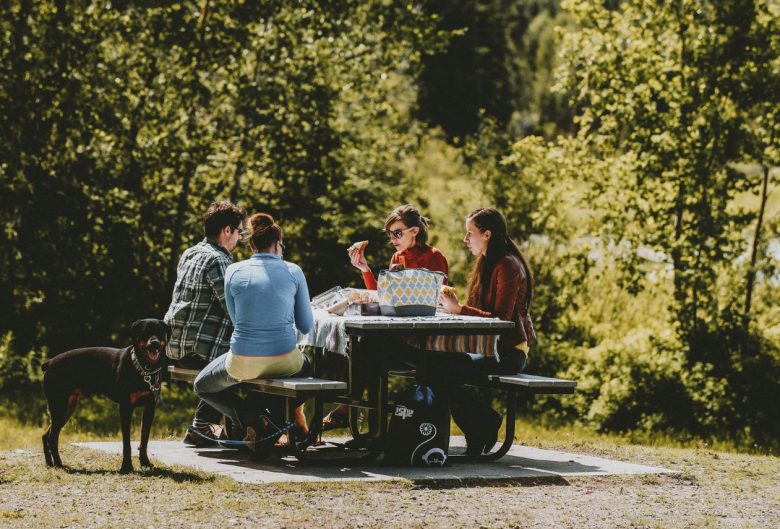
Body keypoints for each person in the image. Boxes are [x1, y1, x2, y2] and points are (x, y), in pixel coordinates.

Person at [322, 204, 449, 433]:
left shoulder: (433, 257)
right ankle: (370, 429)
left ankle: (355, 417)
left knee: (369, 351)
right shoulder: (397, 257)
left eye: (398, 233)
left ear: (415, 231)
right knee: (364, 349)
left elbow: (439, 301)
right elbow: (385, 298)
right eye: (390, 234)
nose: (393, 239)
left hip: (423, 342)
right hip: (400, 337)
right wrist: (364, 269)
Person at [193, 213, 314, 451]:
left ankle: (252, 418)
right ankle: (271, 422)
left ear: (251, 245)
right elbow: (306, 326)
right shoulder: (294, 271)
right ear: (278, 245)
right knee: (307, 368)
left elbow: (237, 318)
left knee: (201, 386)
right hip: (285, 360)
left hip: (243, 361)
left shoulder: (234, 271)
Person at [438, 207, 536, 456]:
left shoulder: (508, 265)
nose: (466, 239)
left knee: (446, 370)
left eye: (470, 233)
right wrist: (454, 308)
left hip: (509, 352)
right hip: (486, 348)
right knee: (438, 362)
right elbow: (482, 312)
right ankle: (480, 425)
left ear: (487, 234)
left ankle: (483, 424)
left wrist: (460, 310)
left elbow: (502, 319)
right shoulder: (486, 263)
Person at [165, 200, 246, 447]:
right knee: (246, 360)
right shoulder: (219, 260)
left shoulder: (191, 252)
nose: (240, 237)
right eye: (239, 231)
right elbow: (234, 310)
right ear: (226, 231)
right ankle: (247, 424)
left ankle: (202, 428)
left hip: (176, 344)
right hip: (198, 348)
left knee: (231, 359)